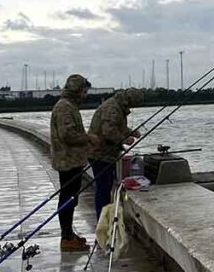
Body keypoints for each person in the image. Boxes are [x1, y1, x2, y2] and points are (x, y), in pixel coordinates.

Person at [50, 74, 100, 252]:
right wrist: (89, 138)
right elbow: (68, 135)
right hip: (68, 161)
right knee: (68, 199)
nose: (85, 95)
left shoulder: (68, 106)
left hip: (71, 160)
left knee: (71, 198)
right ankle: (66, 238)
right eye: (84, 92)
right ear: (76, 91)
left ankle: (69, 235)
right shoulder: (65, 107)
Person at [88, 88, 144, 219]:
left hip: (106, 154)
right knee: (103, 189)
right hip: (100, 154)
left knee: (106, 187)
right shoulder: (113, 108)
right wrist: (125, 139)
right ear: (129, 101)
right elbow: (108, 131)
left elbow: (117, 126)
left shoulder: (117, 105)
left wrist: (131, 132)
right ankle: (102, 220)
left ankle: (105, 217)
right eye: (134, 104)